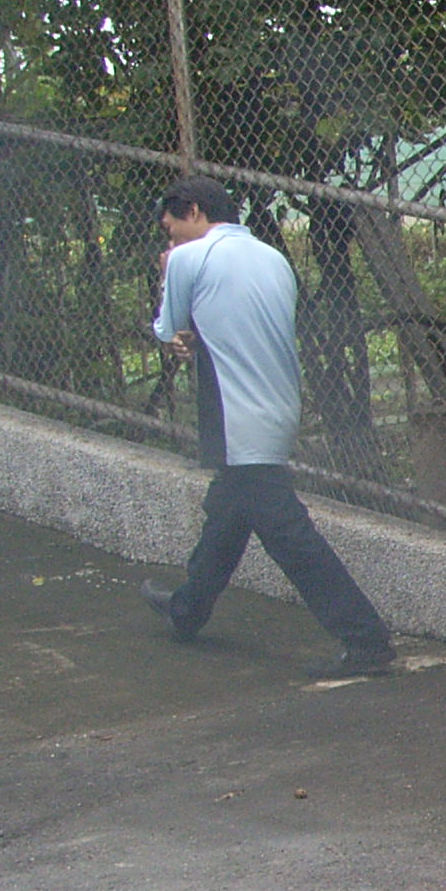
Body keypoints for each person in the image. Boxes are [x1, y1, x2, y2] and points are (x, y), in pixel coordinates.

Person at [139, 176, 394, 675]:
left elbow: (170, 331)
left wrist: (171, 271)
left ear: (192, 211)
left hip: (238, 417)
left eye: (171, 231)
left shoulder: (190, 258)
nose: (170, 242)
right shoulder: (271, 257)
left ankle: (365, 639)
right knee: (228, 513)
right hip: (278, 407)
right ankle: (187, 610)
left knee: (287, 534)